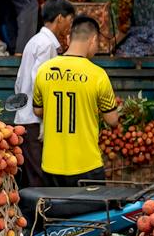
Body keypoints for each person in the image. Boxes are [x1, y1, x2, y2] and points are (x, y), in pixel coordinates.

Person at [31, 14, 121, 185]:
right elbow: (112, 120)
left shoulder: (44, 70)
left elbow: (38, 110)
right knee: (91, 213)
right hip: (86, 166)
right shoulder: (98, 75)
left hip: (51, 166)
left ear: (69, 38)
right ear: (93, 39)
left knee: (53, 212)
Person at [13, 0, 76, 187]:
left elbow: (19, 83)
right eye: (70, 20)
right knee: (38, 179)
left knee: (32, 175)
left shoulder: (34, 42)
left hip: (25, 118)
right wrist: (44, 121)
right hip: (34, 120)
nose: (70, 26)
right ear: (60, 18)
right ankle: (40, 216)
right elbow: (39, 83)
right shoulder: (47, 45)